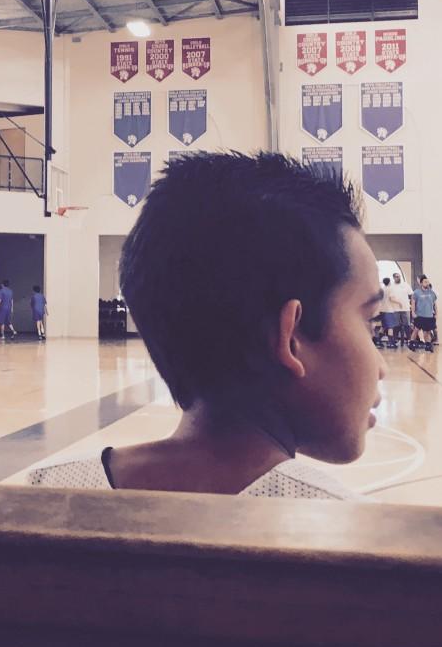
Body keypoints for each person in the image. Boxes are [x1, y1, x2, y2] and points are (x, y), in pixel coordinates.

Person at [29, 152, 385, 501]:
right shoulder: (355, 525)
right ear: (291, 338)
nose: (381, 366)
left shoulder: (48, 490)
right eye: (370, 321)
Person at [411, 275, 438, 353]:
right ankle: (411, 343)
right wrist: (413, 312)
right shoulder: (416, 292)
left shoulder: (432, 293)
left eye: (428, 282)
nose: (427, 283)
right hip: (420, 315)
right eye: (425, 282)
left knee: (428, 331)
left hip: (429, 315)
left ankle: (428, 345)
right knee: (416, 329)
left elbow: (435, 304)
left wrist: (436, 313)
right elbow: (413, 303)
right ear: (421, 283)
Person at [391, 271, 413, 346]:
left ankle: (409, 340)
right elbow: (390, 298)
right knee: (396, 325)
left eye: (399, 276)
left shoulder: (405, 284)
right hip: (395, 309)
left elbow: (411, 294)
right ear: (394, 278)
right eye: (397, 277)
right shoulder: (391, 286)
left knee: (407, 325)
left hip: (405, 308)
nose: (398, 278)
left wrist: (411, 304)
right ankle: (395, 340)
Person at [380, 277, 400, 349]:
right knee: (390, 327)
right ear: (389, 282)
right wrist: (399, 302)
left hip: (382, 310)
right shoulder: (390, 289)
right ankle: (390, 343)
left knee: (383, 326)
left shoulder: (382, 290)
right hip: (389, 310)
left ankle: (378, 341)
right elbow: (391, 299)